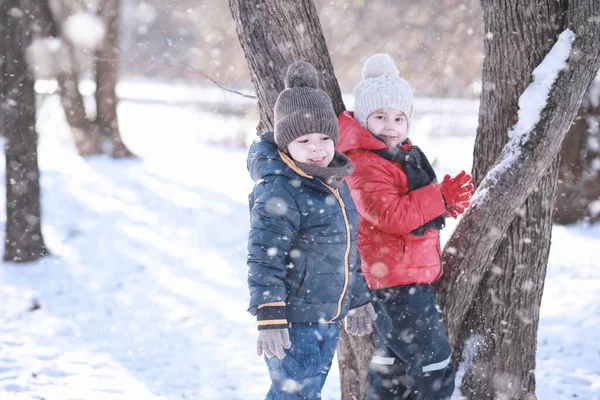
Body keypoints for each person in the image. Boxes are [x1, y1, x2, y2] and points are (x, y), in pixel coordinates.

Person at [336, 53, 473, 399]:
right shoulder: (364, 162)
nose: (390, 124)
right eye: (380, 116)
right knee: (434, 367)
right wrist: (438, 197)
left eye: (399, 117)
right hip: (395, 281)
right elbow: (392, 215)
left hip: (401, 276)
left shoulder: (398, 155)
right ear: (365, 118)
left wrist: (445, 203)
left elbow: (411, 208)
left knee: (391, 369)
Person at [246, 60, 376, 399]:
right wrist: (270, 316)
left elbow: (347, 246)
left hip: (326, 317)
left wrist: (359, 298)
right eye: (304, 139)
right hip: (294, 320)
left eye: (323, 137)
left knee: (306, 393)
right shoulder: (281, 189)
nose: (316, 147)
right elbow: (264, 257)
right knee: (294, 395)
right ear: (285, 144)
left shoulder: (333, 182)